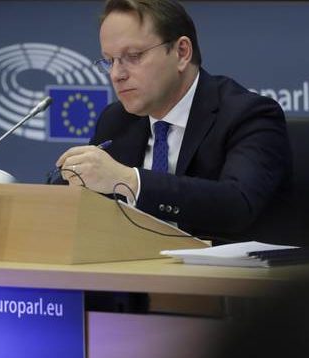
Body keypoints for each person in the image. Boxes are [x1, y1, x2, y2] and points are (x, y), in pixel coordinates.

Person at [55, 0, 293, 244]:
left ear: (181, 52)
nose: (117, 74)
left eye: (133, 56)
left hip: (222, 277)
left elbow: (237, 205)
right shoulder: (116, 120)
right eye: (109, 61)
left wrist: (129, 180)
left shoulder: (248, 114)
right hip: (129, 272)